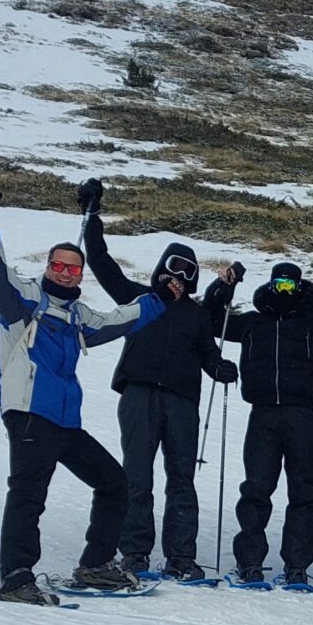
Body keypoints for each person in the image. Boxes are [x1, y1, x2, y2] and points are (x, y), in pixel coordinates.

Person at [0, 170, 163, 603]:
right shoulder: (22, 301)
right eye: (57, 265)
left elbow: (118, 321)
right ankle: (16, 579)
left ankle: (95, 565)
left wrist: (160, 299)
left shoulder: (78, 317)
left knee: (113, 482)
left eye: (73, 268)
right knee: (28, 495)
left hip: (64, 423)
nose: (66, 273)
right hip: (28, 414)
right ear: (47, 267)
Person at [73, 180, 240, 581]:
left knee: (182, 478)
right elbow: (101, 261)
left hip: (182, 401)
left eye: (188, 272)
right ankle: (134, 552)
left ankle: (181, 556)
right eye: (173, 268)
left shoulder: (197, 315)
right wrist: (92, 215)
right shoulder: (137, 298)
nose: (178, 277)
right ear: (161, 270)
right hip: (139, 392)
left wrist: (220, 367)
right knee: (137, 475)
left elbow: (207, 353)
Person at [219, 257, 313, 585]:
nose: (284, 290)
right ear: (270, 285)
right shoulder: (252, 322)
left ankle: (297, 566)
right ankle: (250, 563)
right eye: (279, 283)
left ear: (299, 288)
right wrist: (226, 285)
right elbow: (212, 321)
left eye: (290, 284)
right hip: (262, 414)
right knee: (256, 489)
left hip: (302, 414)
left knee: (303, 491)